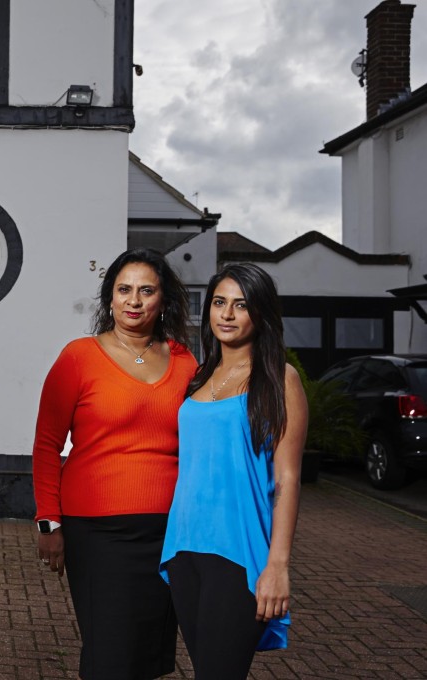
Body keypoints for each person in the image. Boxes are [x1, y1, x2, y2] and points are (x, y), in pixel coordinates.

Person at [32, 248, 197, 679]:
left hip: (169, 532)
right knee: (109, 655)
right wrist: (48, 523)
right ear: (109, 298)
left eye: (146, 291)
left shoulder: (185, 362)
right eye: (124, 290)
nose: (134, 301)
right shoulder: (79, 357)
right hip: (97, 532)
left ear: (163, 300)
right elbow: (47, 445)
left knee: (148, 655)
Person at [159, 263, 307, 680]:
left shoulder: (279, 379)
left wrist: (277, 565)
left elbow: (288, 480)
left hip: (239, 553)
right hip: (185, 548)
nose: (226, 314)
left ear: (260, 314)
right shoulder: (198, 378)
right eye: (219, 303)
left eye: (240, 305)